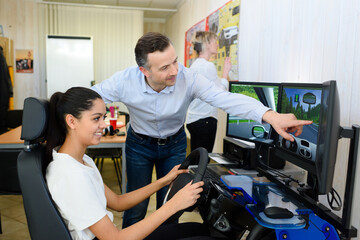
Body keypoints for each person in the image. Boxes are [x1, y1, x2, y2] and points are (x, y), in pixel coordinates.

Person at [91, 32, 312, 228]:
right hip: (138, 145)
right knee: (135, 206)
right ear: (144, 71)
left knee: (170, 204)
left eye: (175, 61)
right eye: (165, 67)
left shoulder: (188, 78)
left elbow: (225, 99)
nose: (175, 71)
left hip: (174, 144)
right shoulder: (124, 81)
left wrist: (270, 116)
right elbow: (86, 98)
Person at [45, 87, 212, 240]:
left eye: (103, 117)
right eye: (96, 119)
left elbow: (118, 202)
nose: (104, 125)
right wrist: (174, 205)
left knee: (198, 230)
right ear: (71, 121)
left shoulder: (81, 161)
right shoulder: (70, 174)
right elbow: (115, 238)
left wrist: (164, 180)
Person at [186, 31, 232, 153]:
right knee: (202, 162)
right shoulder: (207, 66)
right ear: (207, 44)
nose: (217, 45)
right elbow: (218, 95)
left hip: (194, 120)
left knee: (196, 161)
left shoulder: (196, 65)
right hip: (204, 121)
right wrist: (225, 73)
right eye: (214, 42)